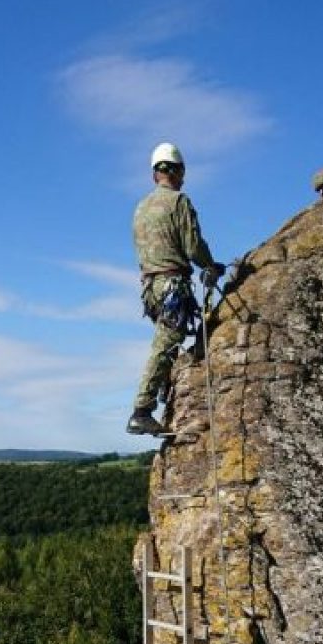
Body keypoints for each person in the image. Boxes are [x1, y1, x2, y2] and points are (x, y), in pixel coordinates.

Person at [126, 142, 225, 436]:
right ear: (178, 171)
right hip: (172, 285)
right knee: (166, 342)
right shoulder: (178, 201)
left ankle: (164, 393)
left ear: (155, 173)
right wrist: (210, 265)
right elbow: (192, 245)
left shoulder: (141, 208)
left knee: (169, 341)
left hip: (151, 288)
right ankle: (141, 411)